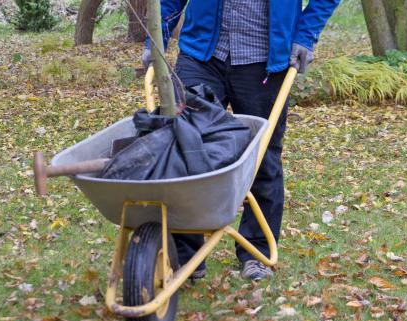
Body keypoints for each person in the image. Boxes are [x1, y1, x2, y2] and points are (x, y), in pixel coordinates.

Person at [142, 0, 340, 281]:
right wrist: (156, 38)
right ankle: (185, 256)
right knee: (184, 150)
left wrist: (306, 35)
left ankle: (256, 252)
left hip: (264, 62)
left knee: (263, 158)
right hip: (203, 55)